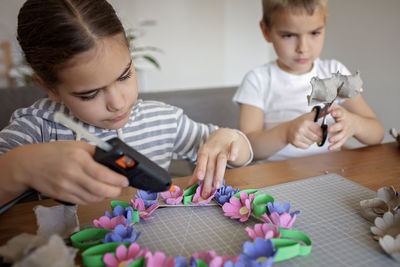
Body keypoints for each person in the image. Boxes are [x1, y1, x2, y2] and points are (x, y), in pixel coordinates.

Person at [0, 0, 253, 207]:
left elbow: (237, 153)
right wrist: (20, 167)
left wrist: (229, 139)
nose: (118, 103)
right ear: (49, 87)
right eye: (89, 94)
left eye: (124, 76)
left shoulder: (162, 121)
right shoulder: (37, 128)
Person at [233, 0, 384, 162]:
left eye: (314, 33)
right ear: (266, 31)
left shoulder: (335, 74)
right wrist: (285, 133)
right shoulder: (257, 80)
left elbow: (377, 133)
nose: (303, 48)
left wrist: (356, 124)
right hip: (276, 178)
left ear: (325, 23)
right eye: (288, 35)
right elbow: (247, 147)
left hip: (331, 175)